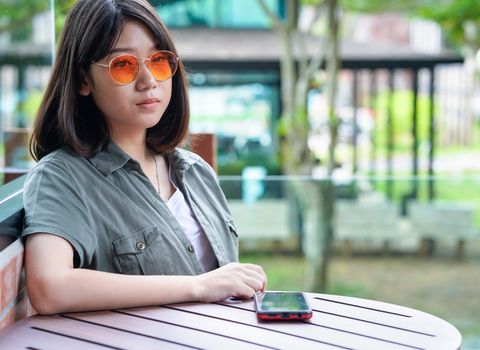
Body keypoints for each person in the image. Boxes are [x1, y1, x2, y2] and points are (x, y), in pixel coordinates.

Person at [22, 0, 267, 315]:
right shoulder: (60, 176)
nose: (149, 79)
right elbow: (50, 287)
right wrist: (200, 286)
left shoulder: (196, 171)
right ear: (84, 79)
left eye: (159, 61)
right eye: (123, 64)